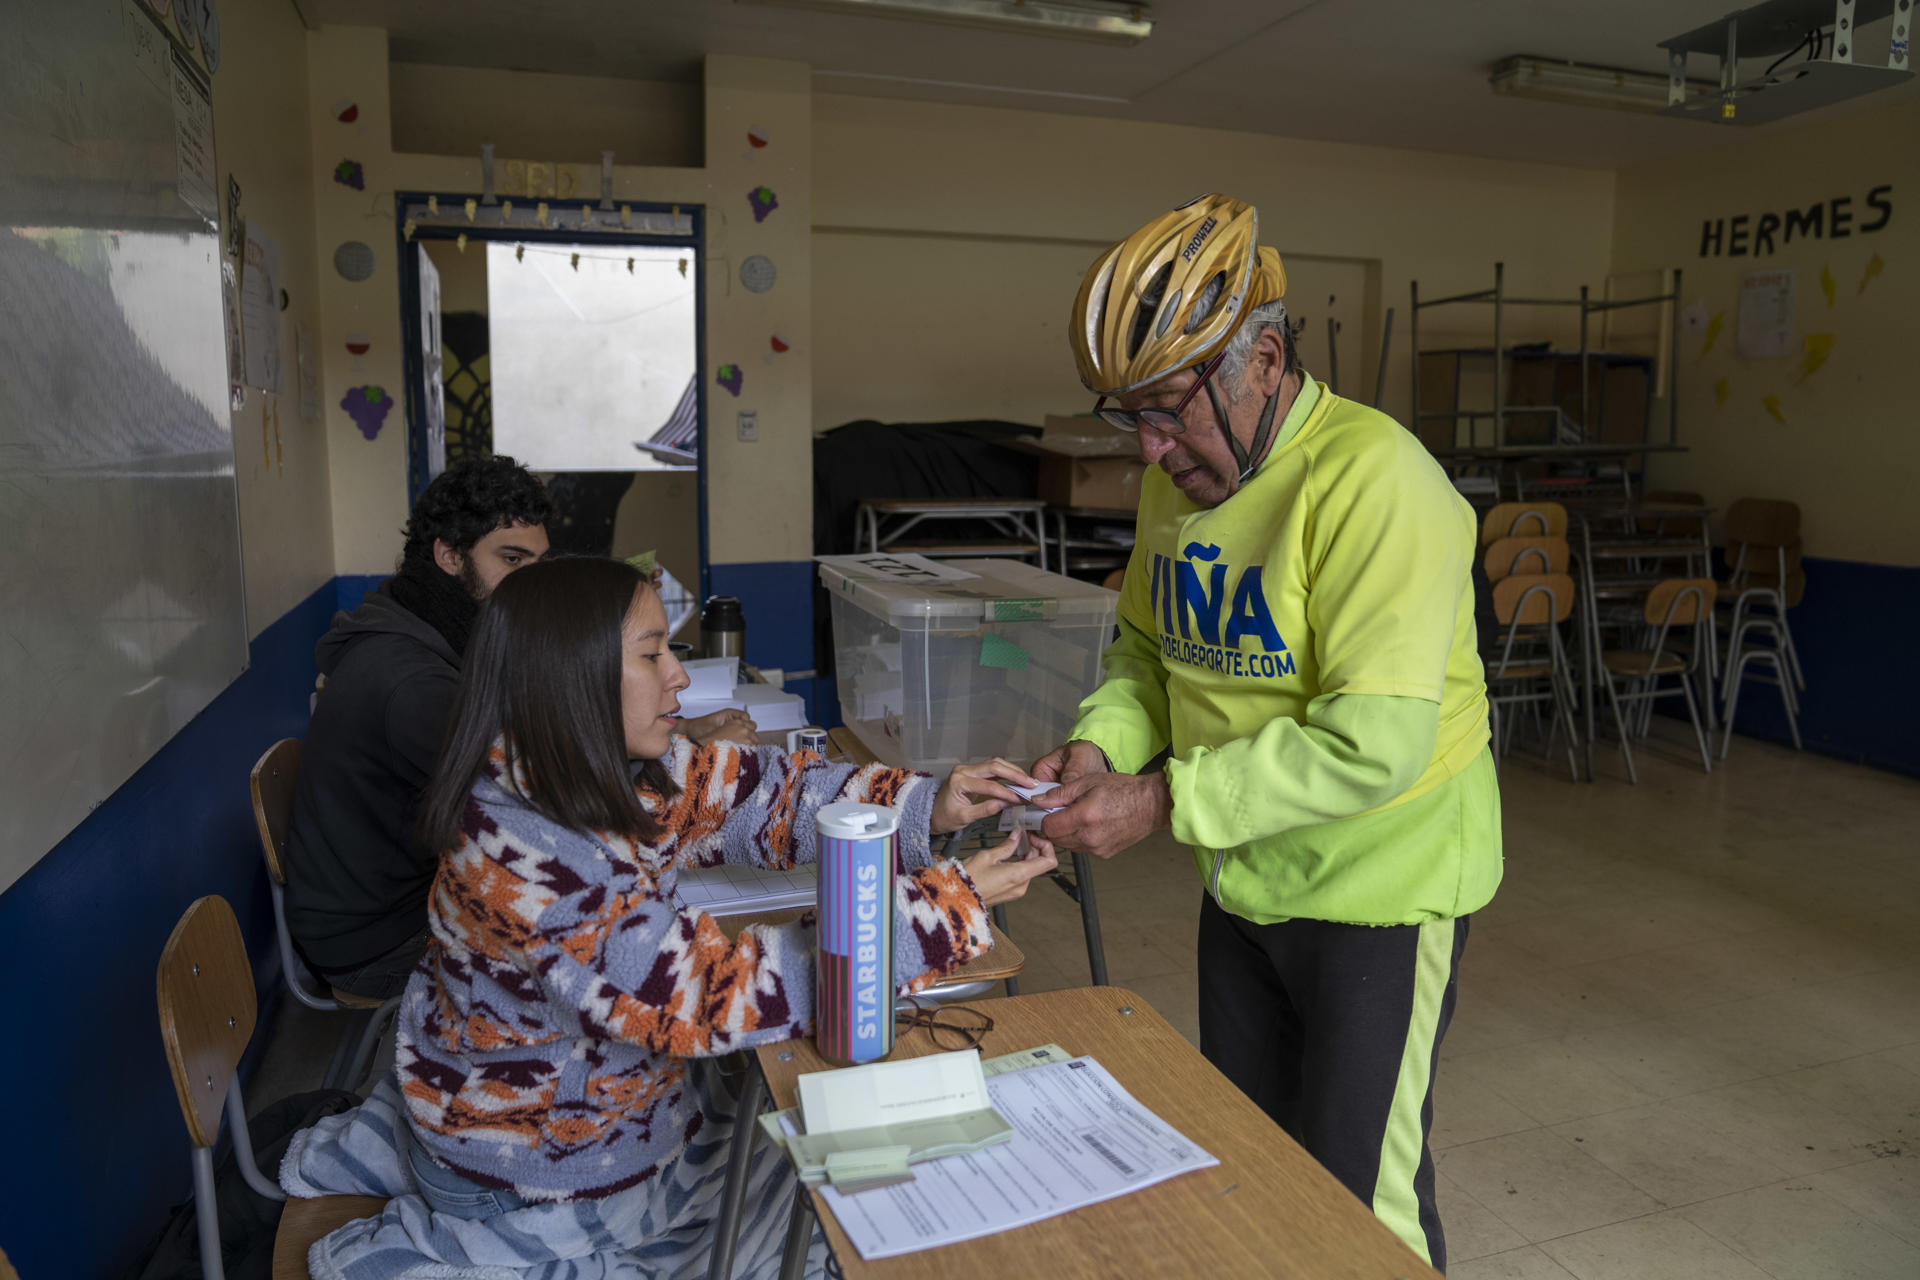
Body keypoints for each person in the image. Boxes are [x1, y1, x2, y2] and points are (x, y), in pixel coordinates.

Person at [1032, 195, 1501, 1272]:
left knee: (1357, 1195)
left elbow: (1372, 741)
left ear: (1265, 359)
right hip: (1247, 878)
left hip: (1385, 886)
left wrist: (1161, 799)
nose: (1149, 450)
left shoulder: (1379, 483)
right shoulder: (1179, 483)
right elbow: (1147, 654)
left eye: (1166, 409)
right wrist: (1104, 747)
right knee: (1248, 1155)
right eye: (1126, 416)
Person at [367, 557, 1050, 1268]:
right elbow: (716, 998)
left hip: (589, 1114)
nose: (680, 677)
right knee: (841, 1222)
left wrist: (926, 805)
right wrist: (946, 906)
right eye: (652, 653)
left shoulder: (582, 767)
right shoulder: (535, 854)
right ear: (574, 675)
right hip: (537, 1174)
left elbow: (759, 794)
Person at [284, 456, 554, 1000]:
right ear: (449, 557)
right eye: (511, 559)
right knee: (590, 953)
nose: (533, 584)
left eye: (538, 563)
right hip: (379, 942)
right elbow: (538, 796)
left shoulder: (421, 624)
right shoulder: (413, 681)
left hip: (396, 905)